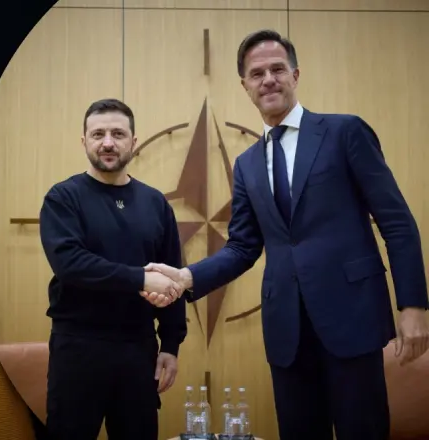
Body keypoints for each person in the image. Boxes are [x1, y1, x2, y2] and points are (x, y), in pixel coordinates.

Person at [141, 29, 429, 440]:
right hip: (286, 329)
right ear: (245, 86)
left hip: (353, 317)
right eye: (257, 74)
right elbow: (243, 246)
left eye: (277, 69)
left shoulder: (345, 132)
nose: (268, 80)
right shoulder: (246, 164)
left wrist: (413, 306)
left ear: (295, 75)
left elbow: (397, 222)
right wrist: (187, 277)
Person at [38, 98, 187, 440]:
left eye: (118, 134)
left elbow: (172, 276)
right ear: (84, 141)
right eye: (98, 134)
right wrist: (140, 278)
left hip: (139, 349)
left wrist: (171, 344)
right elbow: (71, 264)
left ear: (134, 141)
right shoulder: (63, 198)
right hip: (78, 348)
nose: (108, 142)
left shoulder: (155, 203)